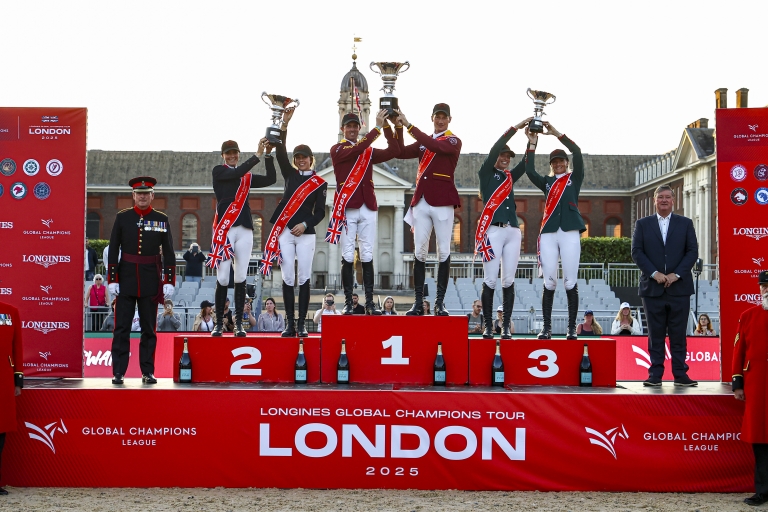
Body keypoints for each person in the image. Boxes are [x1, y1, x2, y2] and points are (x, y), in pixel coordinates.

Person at [328, 110, 403, 316]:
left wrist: (386, 125)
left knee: (367, 254)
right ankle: (348, 302)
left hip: (367, 206)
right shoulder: (337, 149)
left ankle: (369, 303)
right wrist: (376, 128)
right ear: (343, 129)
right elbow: (356, 150)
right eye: (349, 126)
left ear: (359, 128)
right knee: (347, 255)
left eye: (355, 126)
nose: (352, 129)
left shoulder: (367, 151)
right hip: (348, 207)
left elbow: (394, 150)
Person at [261, 108, 327, 338]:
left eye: (304, 157)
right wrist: (285, 125)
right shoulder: (290, 174)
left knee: (304, 278)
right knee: (288, 277)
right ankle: (290, 324)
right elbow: (280, 152)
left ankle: (301, 324)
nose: (300, 160)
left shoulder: (320, 183)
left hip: (306, 234)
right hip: (286, 232)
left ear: (311, 159)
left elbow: (320, 212)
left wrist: (305, 225)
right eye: (297, 157)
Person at [107, 176, 175, 385]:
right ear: (133, 195)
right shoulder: (123, 217)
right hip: (126, 279)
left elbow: (169, 252)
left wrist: (168, 280)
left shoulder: (161, 219)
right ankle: (118, 372)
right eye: (139, 194)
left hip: (150, 280)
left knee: (149, 330)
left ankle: (148, 371)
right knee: (121, 329)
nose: (142, 197)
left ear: (152, 196)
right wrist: (112, 278)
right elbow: (113, 248)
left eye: (146, 194)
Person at [396, 105, 461, 316]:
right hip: (422, 201)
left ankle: (439, 303)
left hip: (442, 201)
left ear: (449, 119)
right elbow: (400, 151)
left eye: (444, 118)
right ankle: (418, 302)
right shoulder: (424, 142)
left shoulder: (453, 141)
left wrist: (408, 125)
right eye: (437, 117)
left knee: (444, 250)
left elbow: (435, 146)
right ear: (432, 118)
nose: (440, 121)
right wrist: (397, 127)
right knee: (419, 252)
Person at [631, 184, 699, 387]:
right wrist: (655, 274)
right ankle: (655, 375)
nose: (664, 200)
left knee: (679, 335)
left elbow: (692, 252)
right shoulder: (643, 224)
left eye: (668, 197)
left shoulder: (685, 224)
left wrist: (676, 275)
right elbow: (637, 252)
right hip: (652, 289)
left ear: (673, 200)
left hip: (679, 288)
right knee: (655, 334)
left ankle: (680, 374)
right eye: (660, 197)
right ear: (654, 200)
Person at [208, 137, 275, 338]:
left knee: (240, 277)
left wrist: (268, 155)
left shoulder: (245, 176)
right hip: (225, 229)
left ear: (238, 154)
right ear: (223, 156)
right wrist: (257, 155)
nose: (232, 156)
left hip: (244, 228)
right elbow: (236, 173)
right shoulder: (218, 171)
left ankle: (238, 324)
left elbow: (271, 179)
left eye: (235, 153)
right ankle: (218, 324)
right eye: (228, 153)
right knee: (222, 277)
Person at [526, 122, 585, 340]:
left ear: (566, 163)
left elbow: (577, 151)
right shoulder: (548, 182)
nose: (558, 164)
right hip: (549, 232)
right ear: (551, 165)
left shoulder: (574, 178)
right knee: (549, 281)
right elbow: (529, 170)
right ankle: (547, 328)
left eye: (561, 161)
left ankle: (571, 328)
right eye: (555, 162)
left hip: (569, 231)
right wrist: (532, 143)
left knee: (570, 281)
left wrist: (556, 134)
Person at [476, 118, 534, 339]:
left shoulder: (509, 177)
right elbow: (495, 148)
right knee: (490, 280)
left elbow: (526, 165)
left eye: (508, 156)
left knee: (508, 280)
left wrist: (531, 142)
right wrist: (516, 128)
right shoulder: (486, 173)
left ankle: (506, 325)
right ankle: (488, 326)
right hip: (493, 230)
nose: (505, 159)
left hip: (512, 231)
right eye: (503, 155)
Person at [732, 271, 768, 506]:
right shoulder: (748, 316)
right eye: (763, 286)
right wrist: (738, 383)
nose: (766, 290)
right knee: (761, 440)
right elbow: (739, 351)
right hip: (758, 387)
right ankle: (763, 491)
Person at [0, 300, 23, 496]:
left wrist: (18, 380)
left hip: (3, 379)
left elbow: (17, 346)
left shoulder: (10, 311)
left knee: (0, 431)